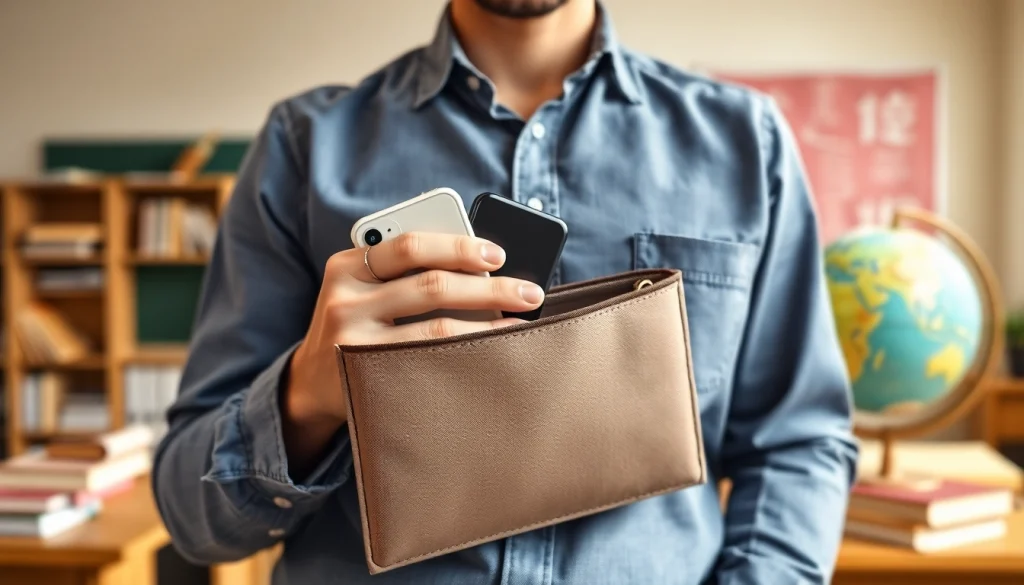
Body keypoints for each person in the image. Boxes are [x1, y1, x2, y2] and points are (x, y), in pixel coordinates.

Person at [151, 1, 859, 583]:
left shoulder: (746, 142)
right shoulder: (304, 145)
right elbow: (192, 514)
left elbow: (798, 443)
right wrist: (305, 397)